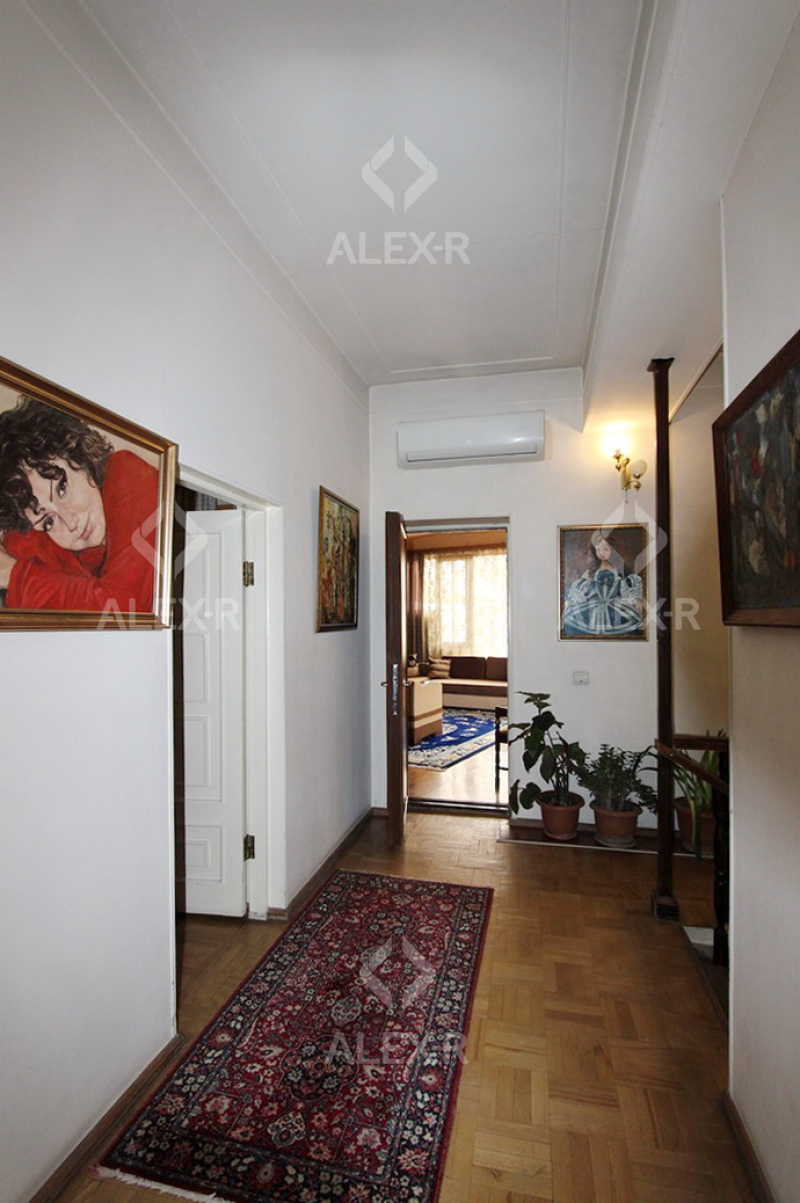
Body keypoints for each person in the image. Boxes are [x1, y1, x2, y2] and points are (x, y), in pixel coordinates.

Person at [0, 396, 159, 612]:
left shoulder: (128, 474)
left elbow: (122, 606)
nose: (70, 521)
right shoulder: (62, 549)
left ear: (81, 458)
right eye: (49, 521)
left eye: (62, 489)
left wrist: (12, 575)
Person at [562, 527, 644, 637]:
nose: (602, 553)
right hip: (593, 607)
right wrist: (575, 599)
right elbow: (582, 590)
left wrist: (634, 600)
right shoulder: (592, 572)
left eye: (605, 549)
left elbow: (627, 591)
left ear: (613, 550)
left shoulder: (620, 570)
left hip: (616, 607)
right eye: (598, 550)